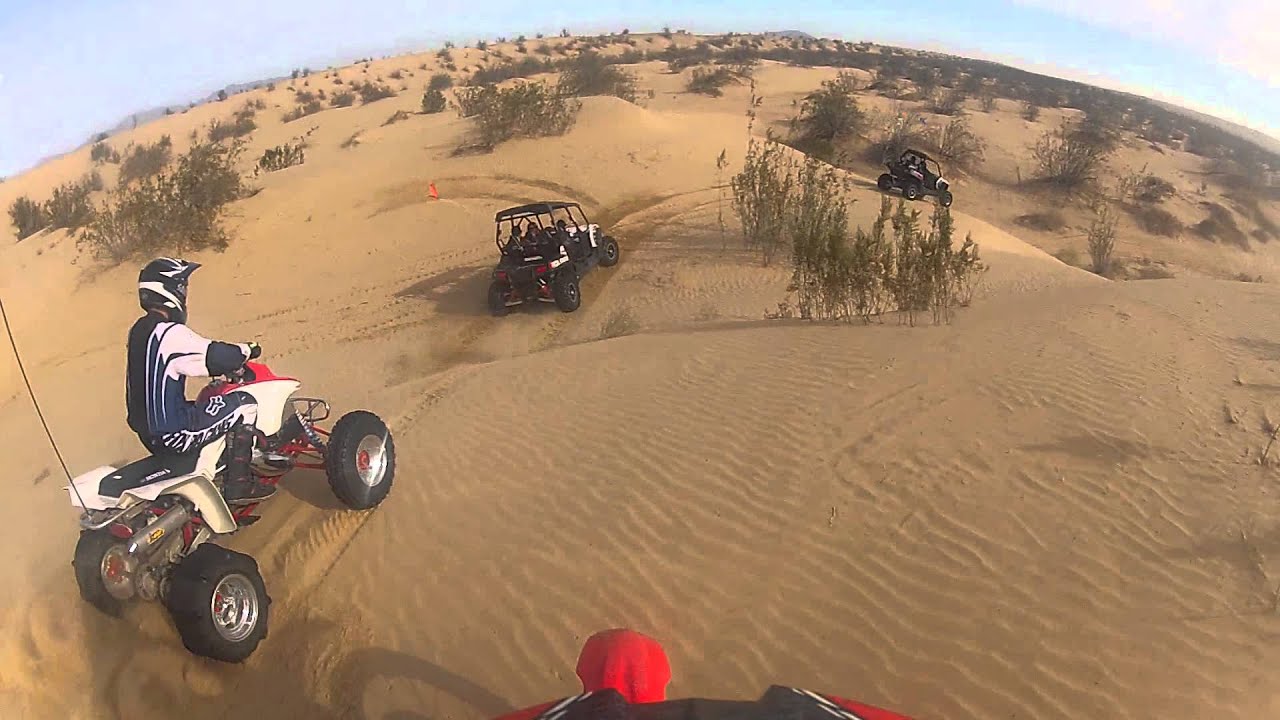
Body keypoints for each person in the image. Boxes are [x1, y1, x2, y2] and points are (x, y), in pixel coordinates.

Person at [125, 257, 275, 503]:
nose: (184, 294)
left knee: (201, 405)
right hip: (174, 433)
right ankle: (239, 485)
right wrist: (247, 349)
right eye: (182, 287)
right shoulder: (169, 333)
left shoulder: (139, 331)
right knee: (245, 404)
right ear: (169, 290)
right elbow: (217, 356)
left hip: (146, 433)